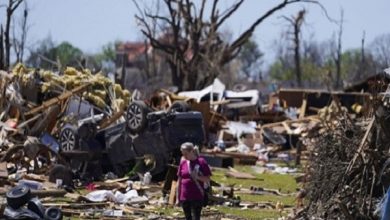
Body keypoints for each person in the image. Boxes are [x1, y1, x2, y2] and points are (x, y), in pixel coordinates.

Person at [176, 142, 211, 220]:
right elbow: (179, 181)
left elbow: (207, 179)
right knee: (187, 218)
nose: (184, 156)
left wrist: (197, 177)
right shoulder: (183, 163)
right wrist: (178, 198)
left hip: (197, 196)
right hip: (184, 197)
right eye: (183, 154)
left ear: (192, 151)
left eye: (186, 154)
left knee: (196, 217)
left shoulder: (201, 162)